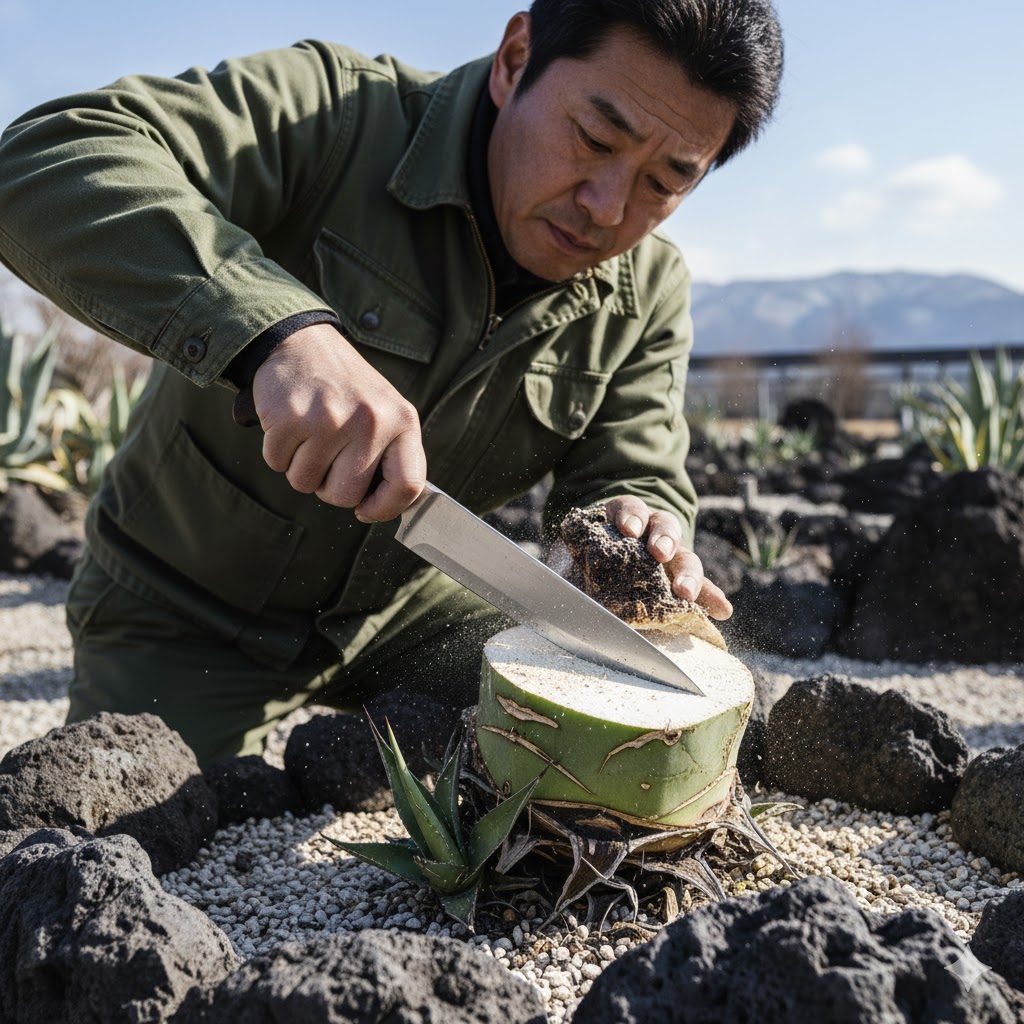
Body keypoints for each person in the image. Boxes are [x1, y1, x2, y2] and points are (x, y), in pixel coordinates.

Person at [0, 0, 783, 767]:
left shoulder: (649, 289)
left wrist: (640, 523)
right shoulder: (336, 114)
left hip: (409, 614)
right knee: (133, 823)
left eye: (666, 181)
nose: (608, 208)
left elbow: (632, 466)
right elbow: (47, 158)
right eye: (594, 137)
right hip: (182, 612)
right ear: (516, 60)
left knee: (614, 741)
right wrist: (276, 331)